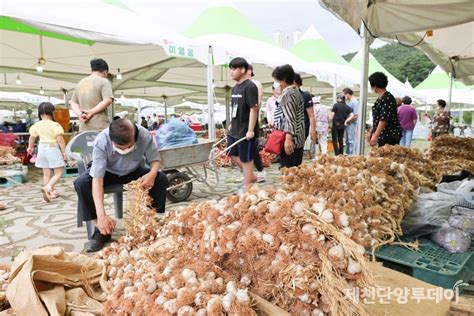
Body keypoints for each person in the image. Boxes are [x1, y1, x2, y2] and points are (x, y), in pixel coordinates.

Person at [74, 119, 168, 252]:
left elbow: (155, 159)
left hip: (132, 171)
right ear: (112, 140)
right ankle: (101, 229)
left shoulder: (144, 135)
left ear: (135, 137)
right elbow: (98, 178)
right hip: (107, 172)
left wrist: (152, 174)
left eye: (129, 147)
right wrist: (101, 215)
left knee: (161, 178)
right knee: (82, 183)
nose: (125, 150)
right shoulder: (102, 141)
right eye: (119, 147)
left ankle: (150, 223)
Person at [227, 57, 259, 192]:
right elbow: (235, 108)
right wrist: (230, 124)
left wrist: (250, 130)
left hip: (246, 130)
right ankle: (250, 175)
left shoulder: (250, 86)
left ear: (243, 70)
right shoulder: (235, 88)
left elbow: (254, 109)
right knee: (231, 153)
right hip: (234, 129)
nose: (231, 72)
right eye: (231, 69)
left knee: (246, 159)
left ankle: (247, 186)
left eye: (234, 69)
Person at [27, 102, 67, 202]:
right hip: (52, 148)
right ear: (52, 112)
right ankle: (48, 188)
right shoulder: (55, 125)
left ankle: (50, 193)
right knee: (58, 172)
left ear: (39, 113)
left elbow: (32, 137)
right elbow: (60, 140)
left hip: (41, 148)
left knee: (46, 173)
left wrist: (30, 148)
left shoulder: (36, 125)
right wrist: (64, 151)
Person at [272, 64, 305, 168]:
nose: (278, 83)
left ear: (283, 79)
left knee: (288, 172)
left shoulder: (288, 94)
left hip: (291, 140)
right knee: (295, 171)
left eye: (278, 80)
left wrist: (288, 139)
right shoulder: (295, 91)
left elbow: (290, 118)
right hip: (297, 138)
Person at [70, 59, 114, 133]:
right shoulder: (104, 81)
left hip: (84, 127)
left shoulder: (80, 83)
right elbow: (108, 100)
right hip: (100, 126)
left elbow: (73, 102)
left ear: (92, 70)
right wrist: (91, 112)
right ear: (105, 72)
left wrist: (80, 114)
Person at [367, 72, 402, 147]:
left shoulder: (387, 98)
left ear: (375, 86)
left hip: (389, 135)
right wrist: (371, 131)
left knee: (387, 156)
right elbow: (377, 118)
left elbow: (383, 119)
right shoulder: (380, 98)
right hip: (383, 134)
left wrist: (375, 135)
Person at [247, 64, 265, 183]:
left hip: (252, 120)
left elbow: (256, 105)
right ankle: (249, 172)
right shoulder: (239, 86)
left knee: (252, 148)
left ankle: (260, 170)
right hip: (242, 122)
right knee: (244, 149)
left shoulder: (256, 84)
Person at [294, 74, 317, 144]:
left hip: (302, 129)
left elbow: (311, 115)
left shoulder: (305, 95)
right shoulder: (286, 95)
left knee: (297, 150)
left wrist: (313, 131)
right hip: (288, 131)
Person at [342, 88, 359, 155]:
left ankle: (352, 154)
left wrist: (348, 121)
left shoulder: (355, 102)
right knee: (348, 140)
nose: (344, 96)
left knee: (352, 140)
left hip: (352, 123)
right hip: (348, 123)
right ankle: (349, 153)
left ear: (348, 94)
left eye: (344, 94)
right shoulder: (348, 102)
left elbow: (356, 115)